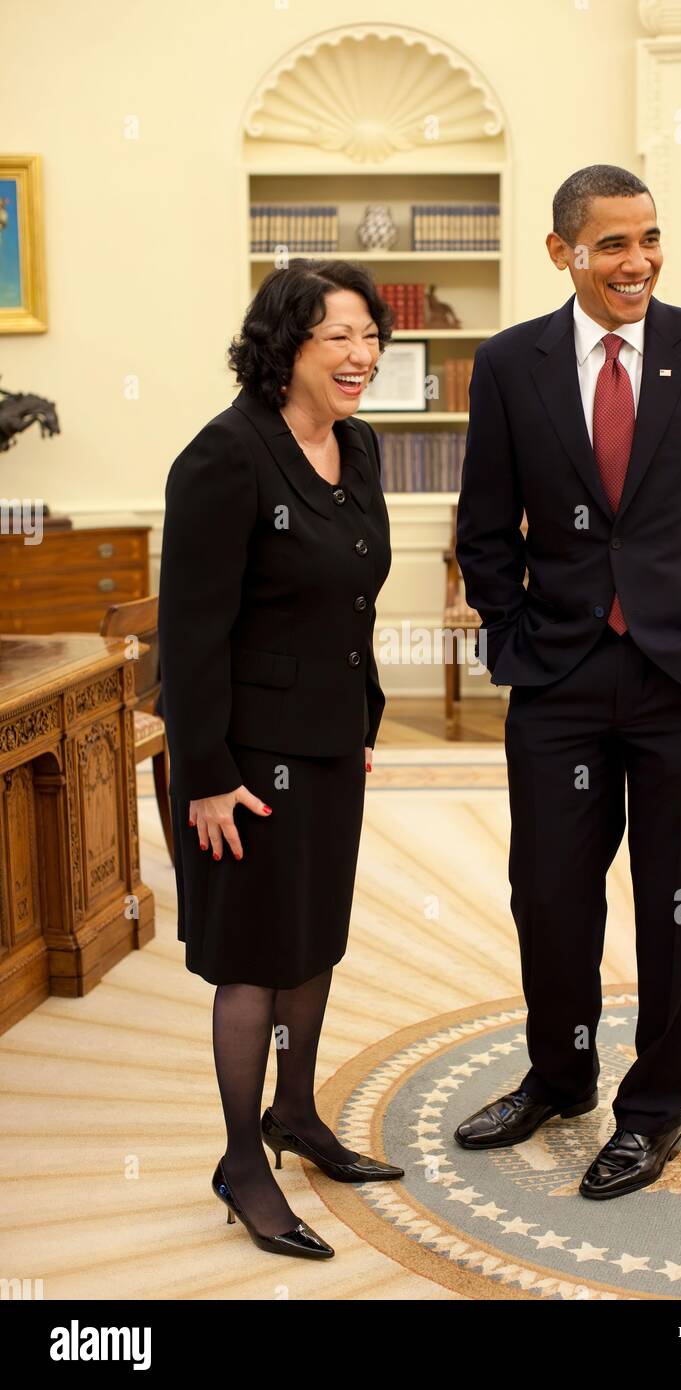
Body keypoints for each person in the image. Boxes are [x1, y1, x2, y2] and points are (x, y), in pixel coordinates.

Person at [454, 164, 681, 1199]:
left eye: (646, 238)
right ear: (561, 251)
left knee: (679, 901)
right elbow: (483, 528)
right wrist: (514, 640)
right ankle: (558, 1076)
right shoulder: (510, 364)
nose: (635, 261)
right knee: (547, 895)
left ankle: (653, 1111)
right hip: (557, 677)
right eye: (610, 244)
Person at [157, 260, 403, 1258]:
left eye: (369, 335)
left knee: (312, 941)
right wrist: (206, 773)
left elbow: (348, 596)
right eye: (337, 337)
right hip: (246, 762)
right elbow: (189, 632)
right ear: (283, 347)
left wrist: (360, 716)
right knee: (254, 962)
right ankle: (240, 1163)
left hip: (329, 742)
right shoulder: (222, 458)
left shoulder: (359, 446)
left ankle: (293, 1113)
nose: (361, 356)